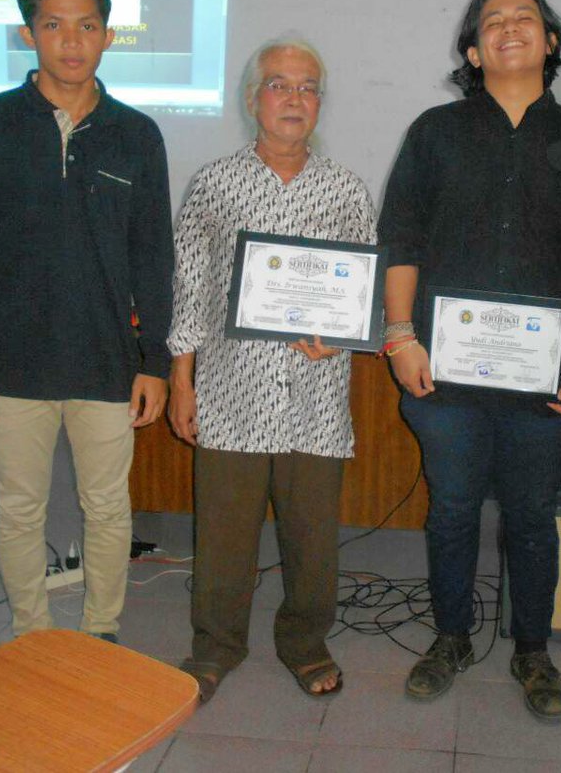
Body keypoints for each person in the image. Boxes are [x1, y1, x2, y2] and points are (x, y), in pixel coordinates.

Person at [378, 0, 561, 722]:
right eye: (493, 22)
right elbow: (403, 240)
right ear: (472, 48)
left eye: (526, 19)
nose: (510, 29)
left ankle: (533, 650)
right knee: (450, 510)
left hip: (545, 380)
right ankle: (451, 636)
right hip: (443, 375)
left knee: (530, 517)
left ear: (550, 41)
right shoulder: (435, 132)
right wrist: (398, 336)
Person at [0, 0, 174, 640]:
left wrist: (151, 358)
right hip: (11, 363)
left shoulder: (137, 136)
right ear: (28, 34)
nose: (72, 41)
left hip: (105, 359)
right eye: (54, 25)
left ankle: (102, 633)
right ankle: (31, 637)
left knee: (107, 507)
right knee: (18, 508)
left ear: (107, 34)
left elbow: (152, 257)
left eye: (88, 25)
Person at [167, 37, 376, 703]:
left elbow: (362, 289)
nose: (294, 98)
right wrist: (181, 381)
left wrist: (339, 338)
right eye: (279, 85)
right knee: (224, 535)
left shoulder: (345, 189)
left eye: (308, 86)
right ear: (253, 98)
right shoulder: (215, 184)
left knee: (313, 537)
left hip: (315, 395)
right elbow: (191, 286)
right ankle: (216, 645)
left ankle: (306, 643)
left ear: (320, 102)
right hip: (232, 391)